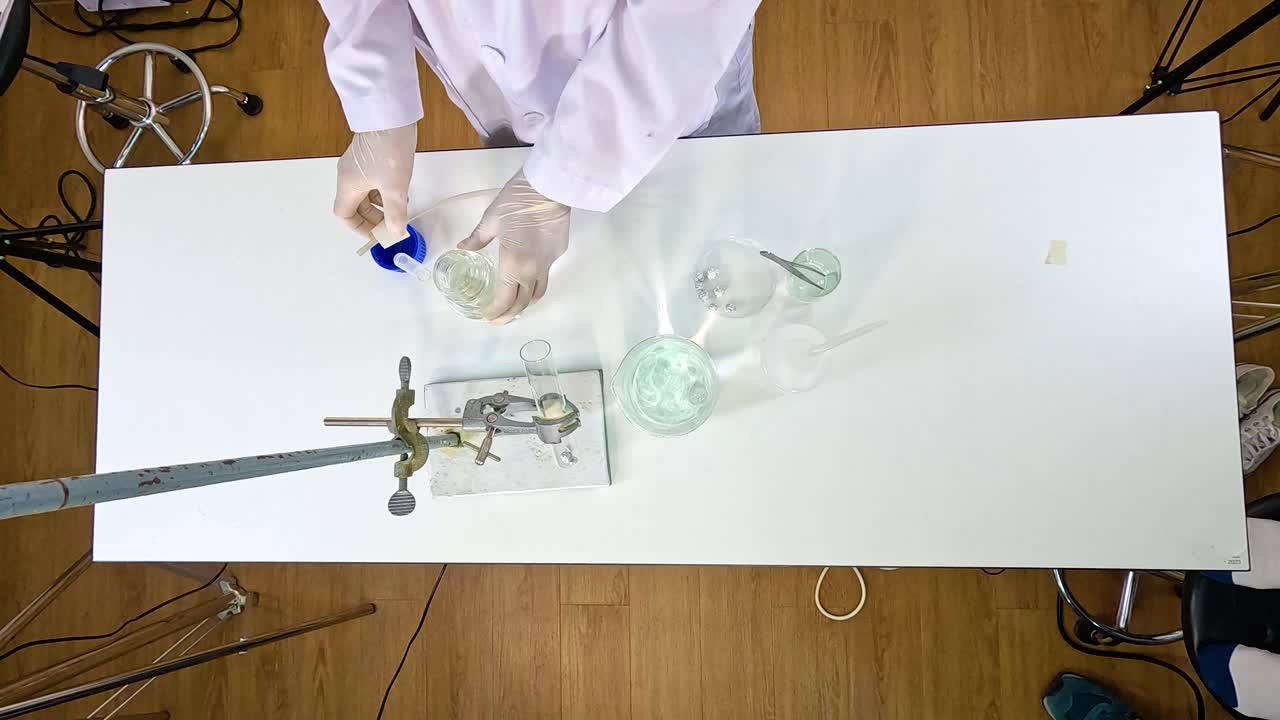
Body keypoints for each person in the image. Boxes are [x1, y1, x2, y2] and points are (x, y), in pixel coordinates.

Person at [318, 2, 762, 324]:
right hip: (487, 65)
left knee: (721, 235)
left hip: (672, 61)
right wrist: (377, 106)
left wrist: (558, 180)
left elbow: (683, 25)